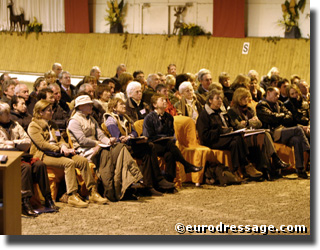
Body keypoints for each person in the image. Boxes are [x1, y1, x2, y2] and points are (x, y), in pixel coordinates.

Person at [28, 100, 107, 208]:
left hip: (58, 152)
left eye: (52, 110)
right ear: (40, 112)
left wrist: (64, 146)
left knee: (83, 161)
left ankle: (92, 191)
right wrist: (59, 149)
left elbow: (60, 139)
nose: (52, 113)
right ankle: (72, 195)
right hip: (43, 154)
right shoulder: (33, 126)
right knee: (69, 163)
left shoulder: (53, 124)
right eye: (49, 110)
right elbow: (42, 144)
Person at [67, 95, 143, 201]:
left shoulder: (92, 119)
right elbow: (82, 140)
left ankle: (122, 186)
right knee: (116, 151)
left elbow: (101, 135)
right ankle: (129, 179)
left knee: (119, 148)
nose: (91, 107)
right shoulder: (74, 121)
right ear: (80, 107)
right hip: (84, 150)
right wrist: (97, 143)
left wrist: (109, 141)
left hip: (98, 147)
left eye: (91, 104)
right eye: (88, 105)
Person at [104, 98, 175, 195]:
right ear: (114, 108)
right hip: (119, 149)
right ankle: (156, 181)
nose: (124, 106)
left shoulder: (124, 118)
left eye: (124, 104)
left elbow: (134, 132)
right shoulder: (110, 120)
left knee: (148, 149)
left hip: (128, 145)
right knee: (149, 147)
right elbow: (117, 138)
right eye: (121, 104)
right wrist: (128, 138)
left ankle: (149, 185)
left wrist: (130, 137)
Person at [0, 101, 58, 216]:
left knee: (39, 165)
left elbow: (27, 141)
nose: (9, 115)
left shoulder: (15, 124)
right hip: (6, 160)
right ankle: (25, 203)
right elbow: (1, 146)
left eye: (8, 113)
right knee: (25, 167)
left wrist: (13, 143)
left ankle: (48, 199)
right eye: (5, 113)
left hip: (21, 156)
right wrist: (16, 144)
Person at [196, 89, 263, 180]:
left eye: (221, 98)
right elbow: (204, 135)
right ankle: (246, 166)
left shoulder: (221, 112)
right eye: (217, 98)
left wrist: (236, 128)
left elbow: (232, 125)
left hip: (225, 138)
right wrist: (219, 130)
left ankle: (236, 170)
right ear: (210, 100)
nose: (220, 100)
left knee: (235, 142)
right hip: (212, 140)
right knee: (236, 139)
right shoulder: (204, 114)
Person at [227, 88, 290, 179]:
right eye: (243, 97)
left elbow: (259, 123)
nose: (246, 99)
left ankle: (266, 168)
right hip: (242, 138)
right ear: (238, 98)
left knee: (265, 135)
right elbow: (238, 126)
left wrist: (247, 123)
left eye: (247, 97)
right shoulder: (232, 111)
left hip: (252, 134)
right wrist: (250, 122)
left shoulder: (250, 109)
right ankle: (272, 163)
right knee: (264, 136)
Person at [143, 94, 203, 182]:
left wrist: (165, 138)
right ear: (155, 105)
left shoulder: (169, 117)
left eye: (165, 100)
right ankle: (186, 165)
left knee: (170, 154)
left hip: (167, 145)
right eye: (162, 100)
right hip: (153, 146)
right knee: (169, 144)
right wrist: (163, 138)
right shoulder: (149, 118)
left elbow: (171, 133)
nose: (165, 102)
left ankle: (170, 181)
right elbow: (149, 136)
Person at [256, 87, 310, 179]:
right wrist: (281, 117)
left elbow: (290, 116)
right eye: (275, 94)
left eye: (278, 94)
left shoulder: (279, 103)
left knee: (296, 139)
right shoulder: (261, 105)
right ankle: (309, 150)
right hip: (271, 133)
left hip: (282, 130)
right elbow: (270, 118)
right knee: (298, 129)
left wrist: (278, 117)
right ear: (268, 93)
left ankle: (300, 169)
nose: (278, 96)